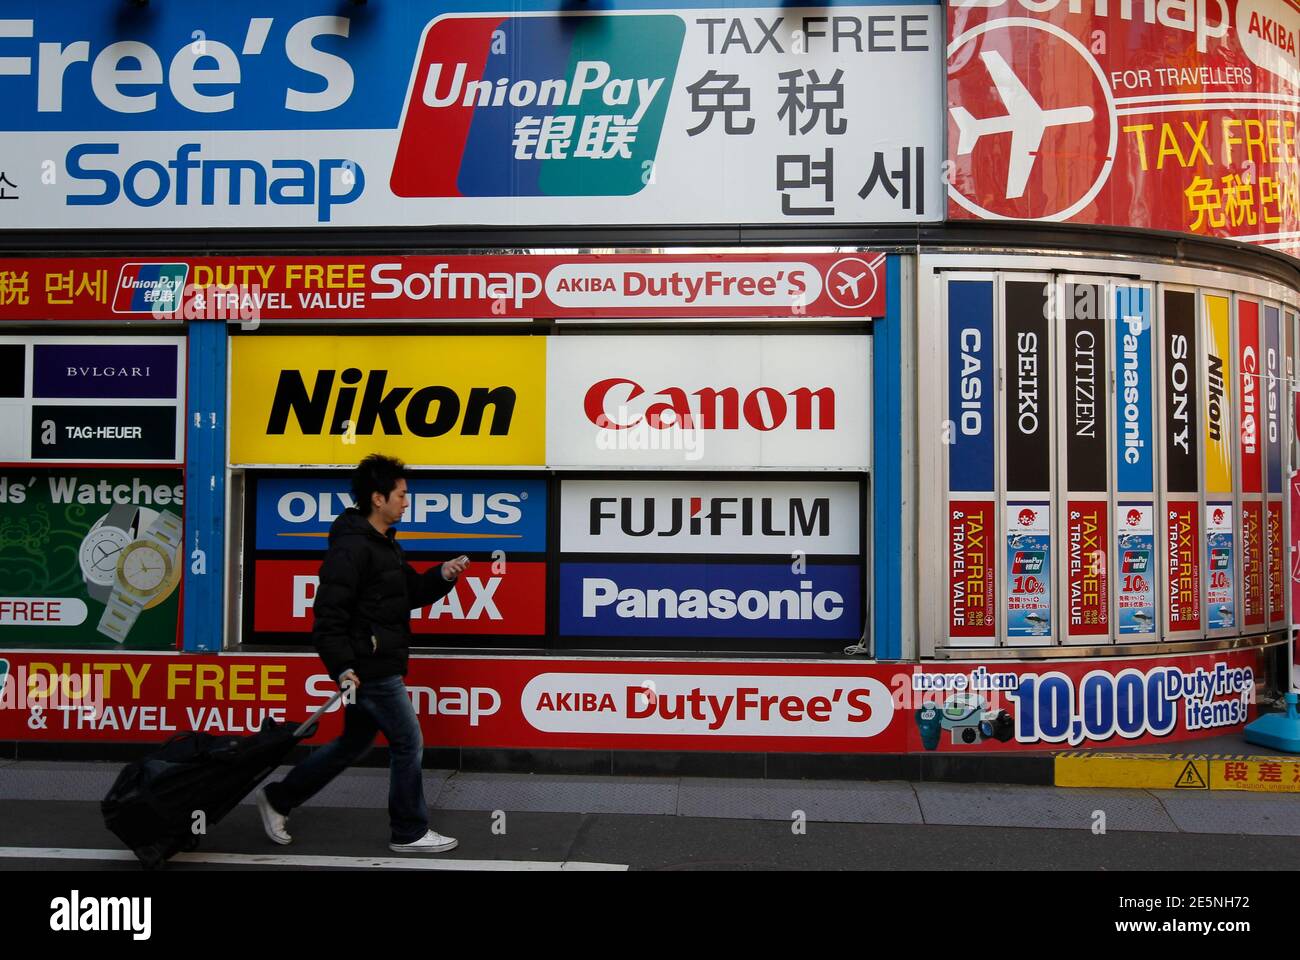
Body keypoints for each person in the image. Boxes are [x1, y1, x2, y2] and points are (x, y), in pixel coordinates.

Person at [257, 454, 471, 852]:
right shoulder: (353, 549)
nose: (407, 502)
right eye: (402, 494)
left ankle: (279, 798)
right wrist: (343, 666)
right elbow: (328, 615)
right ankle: (409, 831)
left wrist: (443, 575)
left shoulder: (384, 545)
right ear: (378, 498)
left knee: (353, 742)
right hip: (369, 667)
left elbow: (409, 593)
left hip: (374, 661)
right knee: (409, 742)